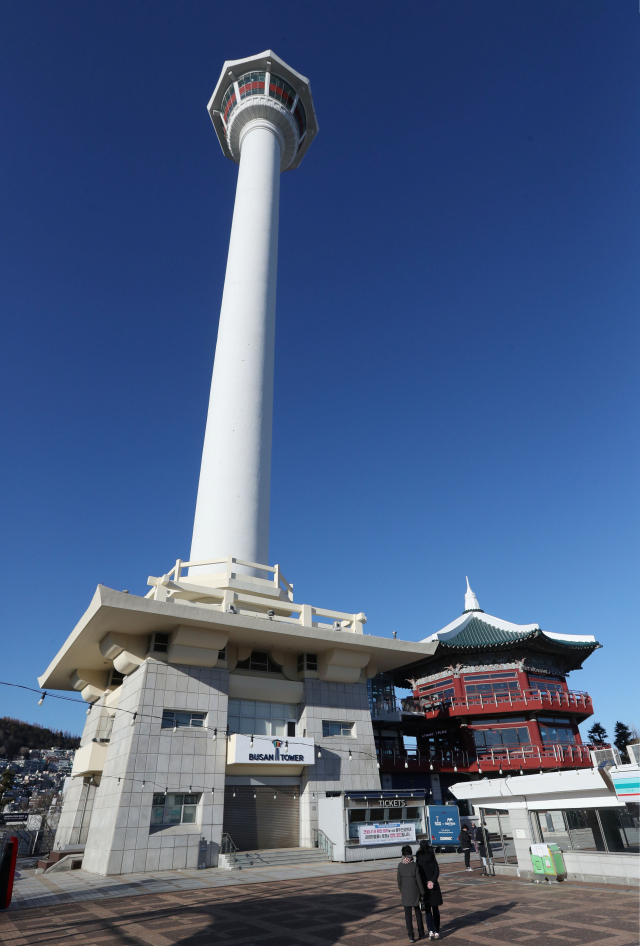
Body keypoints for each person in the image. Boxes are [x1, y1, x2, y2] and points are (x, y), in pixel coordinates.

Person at [397, 844, 426, 942]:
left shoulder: (400, 865)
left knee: (408, 916)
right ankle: (421, 933)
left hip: (405, 892)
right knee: (418, 913)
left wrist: (402, 890)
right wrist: (422, 892)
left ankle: (411, 936)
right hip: (415, 892)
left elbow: (399, 881)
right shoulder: (414, 865)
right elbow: (419, 880)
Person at [416, 840, 443, 940]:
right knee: (435, 909)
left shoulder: (418, 856)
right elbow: (437, 870)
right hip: (434, 885)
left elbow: (419, 872)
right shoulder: (432, 855)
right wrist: (432, 881)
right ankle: (437, 930)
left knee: (427, 910)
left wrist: (426, 882)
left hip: (424, 885)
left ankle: (430, 930)